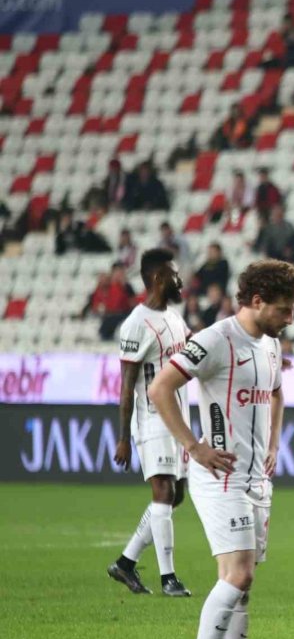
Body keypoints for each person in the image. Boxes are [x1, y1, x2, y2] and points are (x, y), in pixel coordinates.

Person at [148, 260, 294, 639]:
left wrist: (275, 443)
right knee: (240, 573)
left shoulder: (270, 344)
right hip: (220, 477)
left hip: (257, 479)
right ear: (256, 302)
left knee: (241, 582)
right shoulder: (215, 340)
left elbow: (276, 392)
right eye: (283, 309)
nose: (290, 318)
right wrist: (193, 446)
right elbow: (160, 388)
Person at [107, 250, 193, 597]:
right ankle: (167, 577)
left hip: (179, 419)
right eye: (174, 274)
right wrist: (124, 437)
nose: (180, 280)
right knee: (164, 492)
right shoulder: (135, 324)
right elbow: (126, 386)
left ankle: (125, 564)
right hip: (153, 420)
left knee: (177, 496)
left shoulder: (174, 317)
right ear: (158, 278)